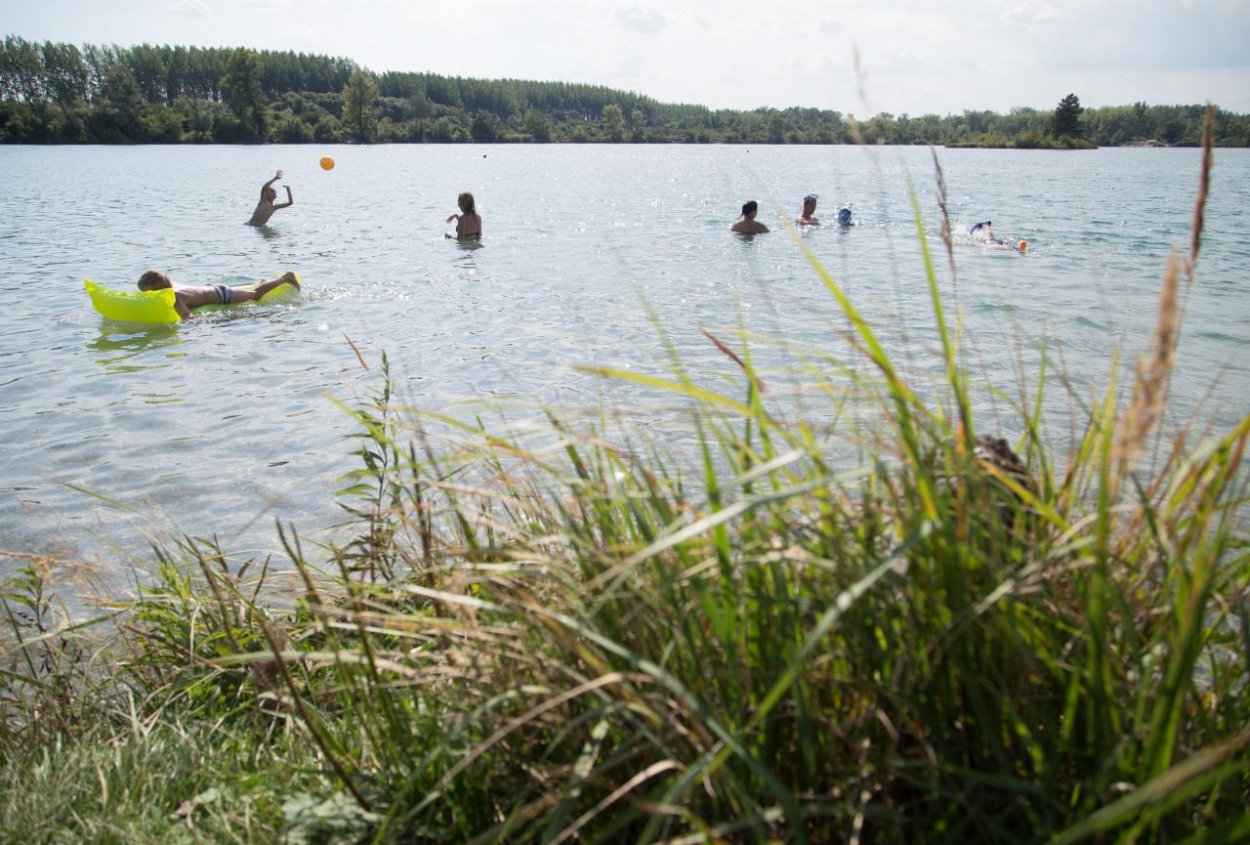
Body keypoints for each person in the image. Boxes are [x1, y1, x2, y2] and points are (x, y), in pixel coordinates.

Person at [137, 269, 300, 320]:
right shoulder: (172, 286)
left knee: (256, 295)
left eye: (147, 293)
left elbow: (189, 319)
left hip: (221, 294)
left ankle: (285, 278)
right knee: (253, 292)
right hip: (209, 289)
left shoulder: (176, 298)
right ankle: (266, 281)